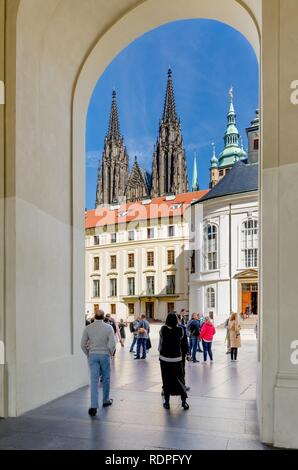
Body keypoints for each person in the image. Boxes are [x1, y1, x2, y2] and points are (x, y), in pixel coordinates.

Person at [81, 309, 116, 417]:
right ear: (104, 316)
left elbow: (82, 344)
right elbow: (112, 344)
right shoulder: (108, 327)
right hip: (105, 355)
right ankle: (106, 400)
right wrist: (110, 353)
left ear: (94, 316)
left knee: (94, 380)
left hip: (93, 355)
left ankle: (93, 405)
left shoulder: (88, 328)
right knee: (106, 378)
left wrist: (88, 353)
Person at [159, 313, 189, 410]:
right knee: (180, 379)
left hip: (164, 358)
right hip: (176, 358)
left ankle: (167, 402)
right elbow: (181, 340)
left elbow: (160, 344)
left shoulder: (162, 329)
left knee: (166, 379)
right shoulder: (181, 329)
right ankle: (184, 401)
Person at [177, 314, 190, 391]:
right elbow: (185, 342)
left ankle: (165, 388)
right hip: (180, 353)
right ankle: (182, 386)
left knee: (169, 371)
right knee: (181, 369)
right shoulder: (182, 328)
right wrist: (188, 353)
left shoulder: (164, 329)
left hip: (169, 355)